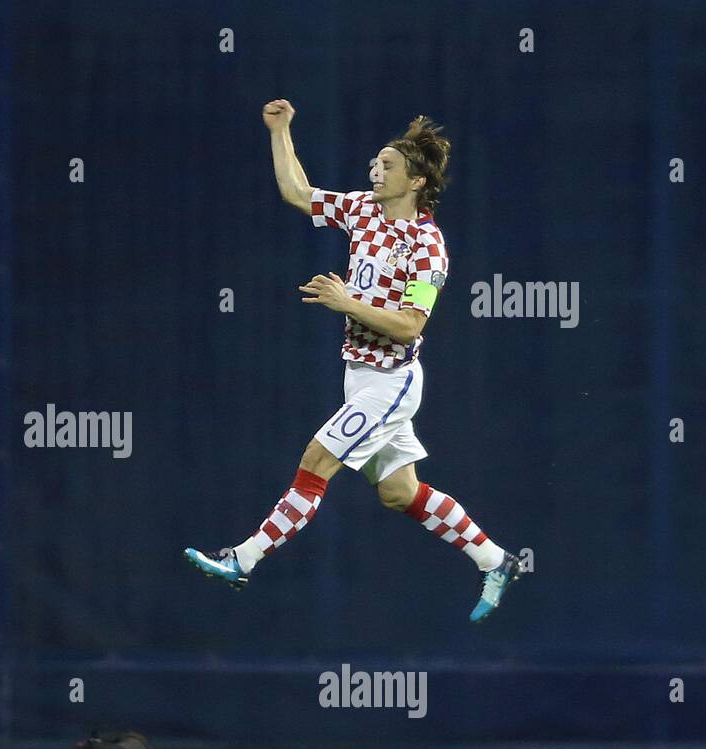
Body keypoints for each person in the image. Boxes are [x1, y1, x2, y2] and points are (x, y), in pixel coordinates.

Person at [185, 101, 523, 622]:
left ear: (414, 181)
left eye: (387, 166)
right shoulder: (363, 210)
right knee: (397, 492)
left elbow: (412, 325)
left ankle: (243, 558)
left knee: (316, 462)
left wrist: (347, 304)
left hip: (391, 381)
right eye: (376, 163)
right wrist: (281, 132)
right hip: (359, 374)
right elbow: (297, 192)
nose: (375, 171)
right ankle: (496, 559)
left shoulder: (428, 248)